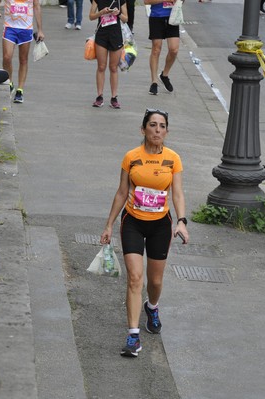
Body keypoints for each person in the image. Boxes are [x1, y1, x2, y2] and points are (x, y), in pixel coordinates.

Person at [100, 109, 189, 358]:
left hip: (160, 224)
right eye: (152, 125)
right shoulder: (131, 157)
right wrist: (109, 224)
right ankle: (133, 335)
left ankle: (152, 307)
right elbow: (121, 192)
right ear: (143, 130)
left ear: (167, 132)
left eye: (162, 126)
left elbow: (178, 193)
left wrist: (181, 221)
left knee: (155, 281)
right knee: (135, 278)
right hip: (133, 222)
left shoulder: (173, 159)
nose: (157, 130)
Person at [0, 0, 44, 104]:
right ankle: (9, 83)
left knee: (23, 59)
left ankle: (20, 90)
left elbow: (36, 6)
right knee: (7, 57)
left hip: (26, 28)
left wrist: (40, 30)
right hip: (9, 28)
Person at [89, 0, 128, 109]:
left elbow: (126, 19)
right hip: (101, 35)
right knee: (101, 66)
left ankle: (114, 97)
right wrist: (100, 13)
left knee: (113, 67)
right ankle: (99, 96)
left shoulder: (120, 1)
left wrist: (118, 13)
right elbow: (91, 16)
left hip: (116, 35)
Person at [144, 0, 184, 95]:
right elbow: (146, 1)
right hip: (156, 17)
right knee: (156, 49)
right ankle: (154, 81)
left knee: (174, 49)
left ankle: (164, 74)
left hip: (173, 16)